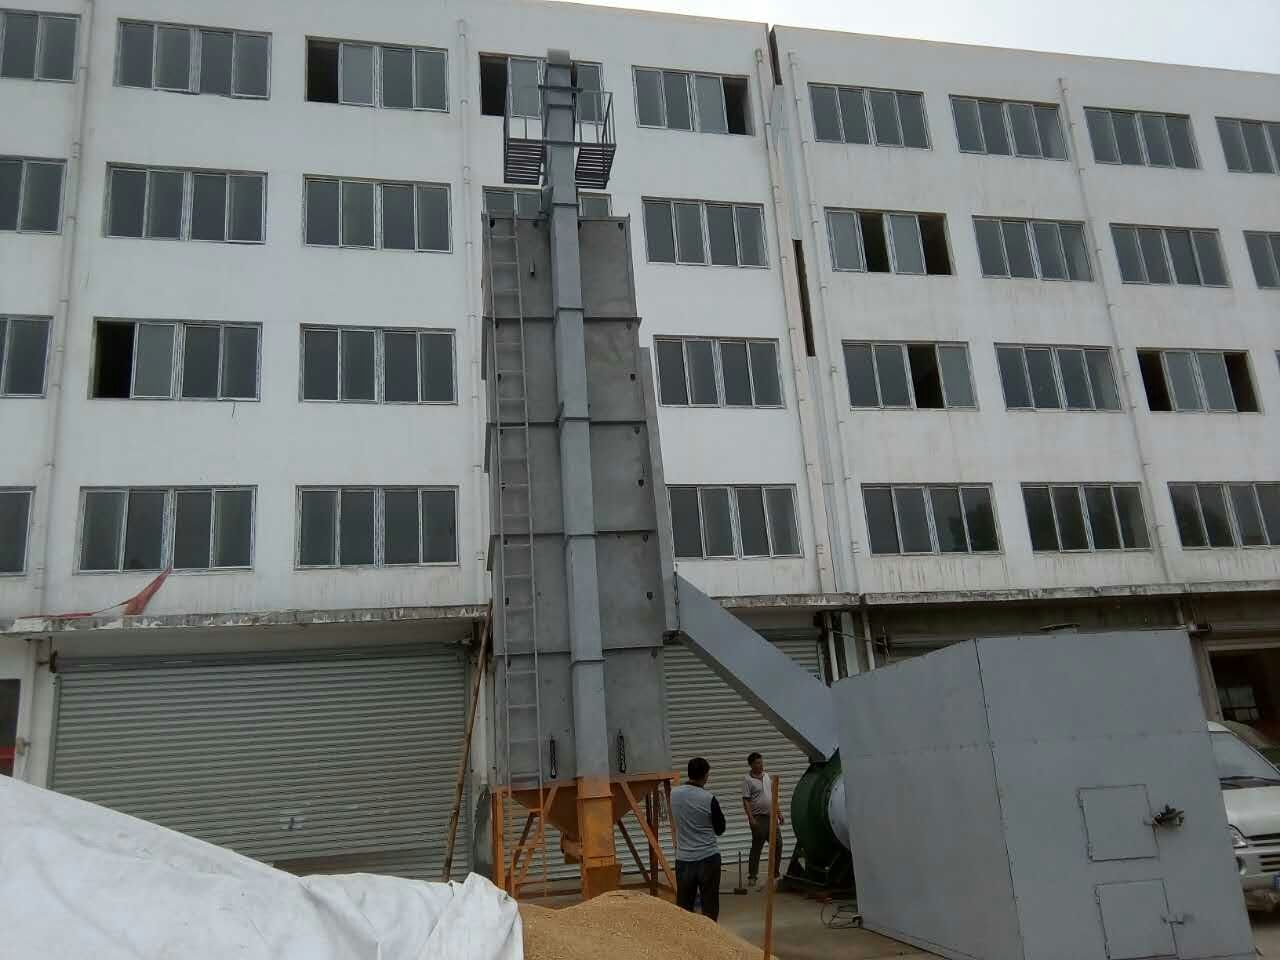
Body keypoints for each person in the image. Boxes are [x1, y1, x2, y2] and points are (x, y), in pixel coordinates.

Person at [669, 756, 726, 921]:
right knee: (710, 906)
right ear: (705, 775)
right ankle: (710, 935)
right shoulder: (708, 798)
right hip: (708, 858)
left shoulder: (673, 794)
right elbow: (720, 829)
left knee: (684, 907)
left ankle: (686, 935)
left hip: (684, 859)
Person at [742, 751, 783, 891]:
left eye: (761, 762)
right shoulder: (747, 780)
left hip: (771, 817)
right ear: (751, 765)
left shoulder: (766, 776)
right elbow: (746, 801)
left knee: (778, 844)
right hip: (758, 818)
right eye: (757, 763)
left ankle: (775, 873)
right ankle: (753, 876)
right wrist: (751, 818)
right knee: (757, 847)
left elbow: (773, 796)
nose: (761, 765)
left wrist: (779, 813)